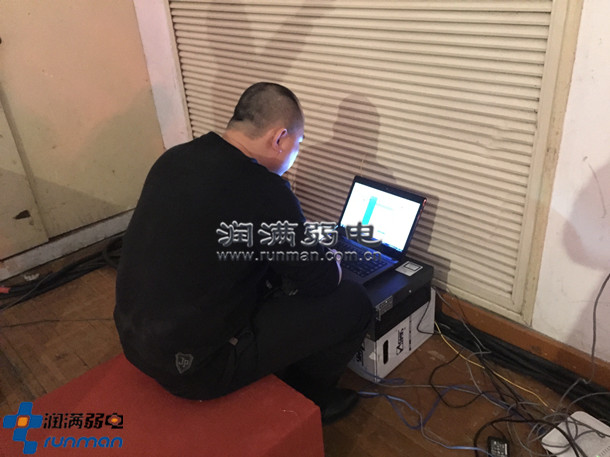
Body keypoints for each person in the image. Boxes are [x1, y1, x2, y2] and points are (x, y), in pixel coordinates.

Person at [114, 82, 372, 424]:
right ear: (279, 138)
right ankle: (308, 400)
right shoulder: (264, 189)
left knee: (271, 274)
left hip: (135, 340)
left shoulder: (175, 158)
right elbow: (322, 280)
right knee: (353, 301)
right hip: (196, 369)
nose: (295, 154)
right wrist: (329, 259)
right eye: (298, 144)